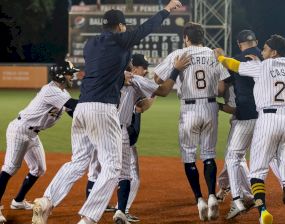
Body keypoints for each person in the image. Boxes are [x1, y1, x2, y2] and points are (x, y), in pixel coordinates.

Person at [31, 2, 182, 224]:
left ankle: (47, 199)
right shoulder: (120, 39)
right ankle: (88, 218)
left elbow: (102, 72)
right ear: (120, 26)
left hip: (82, 107)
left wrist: (121, 77)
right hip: (102, 109)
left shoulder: (91, 44)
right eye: (124, 26)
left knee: (78, 161)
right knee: (113, 167)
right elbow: (146, 29)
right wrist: (167, 9)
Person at [214, 34, 285, 224]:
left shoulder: (263, 66)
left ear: (273, 52)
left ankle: (263, 212)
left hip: (268, 119)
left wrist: (220, 57)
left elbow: (235, 65)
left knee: (257, 171)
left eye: (265, 49)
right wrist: (260, 61)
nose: (262, 52)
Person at [85, 53, 191, 223]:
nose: (145, 72)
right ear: (133, 67)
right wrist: (175, 70)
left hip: (97, 127)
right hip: (118, 131)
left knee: (97, 170)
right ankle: (117, 211)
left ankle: (96, 208)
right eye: (143, 69)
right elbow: (160, 93)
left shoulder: (106, 75)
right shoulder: (135, 79)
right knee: (122, 174)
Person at [153, 22, 230, 221]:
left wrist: (177, 72)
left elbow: (157, 79)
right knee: (208, 155)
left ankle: (199, 199)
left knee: (189, 156)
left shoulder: (178, 55)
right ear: (202, 37)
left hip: (189, 108)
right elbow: (222, 90)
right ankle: (212, 195)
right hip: (211, 107)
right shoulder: (214, 55)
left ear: (186, 37)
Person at [0, 61, 79, 223]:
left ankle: (18, 201)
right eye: (70, 73)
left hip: (33, 134)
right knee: (10, 168)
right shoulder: (51, 90)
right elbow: (73, 105)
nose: (73, 76)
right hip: (21, 130)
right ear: (60, 75)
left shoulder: (60, 92)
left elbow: (73, 111)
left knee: (39, 168)